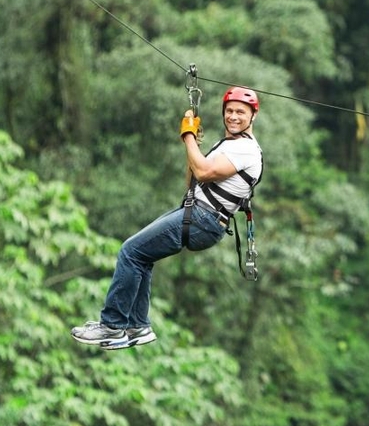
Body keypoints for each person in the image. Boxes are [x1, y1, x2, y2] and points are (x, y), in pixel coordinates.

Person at [71, 86, 264, 350]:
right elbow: (193, 180)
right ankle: (138, 326)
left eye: (240, 112)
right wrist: (194, 143)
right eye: (229, 111)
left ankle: (113, 326)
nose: (233, 116)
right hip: (196, 214)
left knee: (130, 251)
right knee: (142, 256)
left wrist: (187, 134)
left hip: (202, 219)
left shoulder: (245, 149)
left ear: (253, 116)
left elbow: (205, 172)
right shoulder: (228, 146)